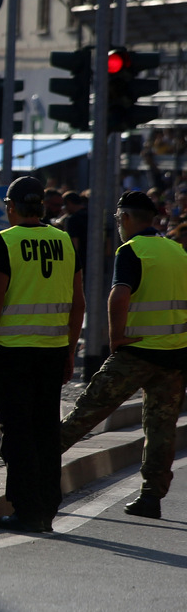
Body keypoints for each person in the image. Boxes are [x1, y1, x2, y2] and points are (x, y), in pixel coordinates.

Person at [59, 191, 187, 520]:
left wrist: (115, 337)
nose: (117, 226)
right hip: (174, 356)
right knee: (161, 429)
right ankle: (150, 497)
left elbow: (119, 295)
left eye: (117, 220)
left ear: (127, 219)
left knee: (87, 410)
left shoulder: (132, 250)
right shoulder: (177, 251)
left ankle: (32, 459)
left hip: (137, 351)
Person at [0, 176, 84, 533]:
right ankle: (48, 507)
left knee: (17, 432)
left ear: (11, 208)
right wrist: (70, 351)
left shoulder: (6, 241)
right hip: (52, 354)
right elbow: (78, 303)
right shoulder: (65, 241)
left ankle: (26, 511)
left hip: (15, 353)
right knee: (46, 432)